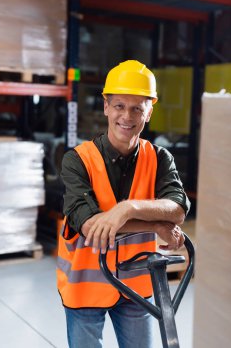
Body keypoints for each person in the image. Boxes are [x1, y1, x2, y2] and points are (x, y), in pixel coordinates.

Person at [57, 60, 190, 348]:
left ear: (149, 111)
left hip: (136, 289)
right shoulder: (77, 160)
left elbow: (178, 207)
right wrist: (155, 223)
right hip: (85, 290)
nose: (126, 116)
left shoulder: (159, 158)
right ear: (106, 106)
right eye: (119, 106)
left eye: (137, 108)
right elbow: (91, 225)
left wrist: (127, 209)